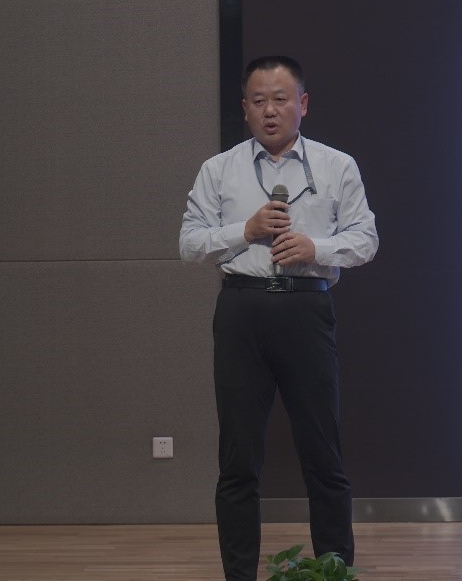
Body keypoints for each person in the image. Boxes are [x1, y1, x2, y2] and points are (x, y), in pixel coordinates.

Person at [180, 55, 379, 581]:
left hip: (306, 308)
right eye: (259, 101)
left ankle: (334, 571)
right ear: (245, 108)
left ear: (302, 105)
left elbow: (365, 239)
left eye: (280, 99)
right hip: (241, 311)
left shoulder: (337, 166)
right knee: (237, 461)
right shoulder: (218, 169)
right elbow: (190, 243)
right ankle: (239, 575)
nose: (270, 111)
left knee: (323, 456)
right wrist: (243, 231)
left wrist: (317, 247)